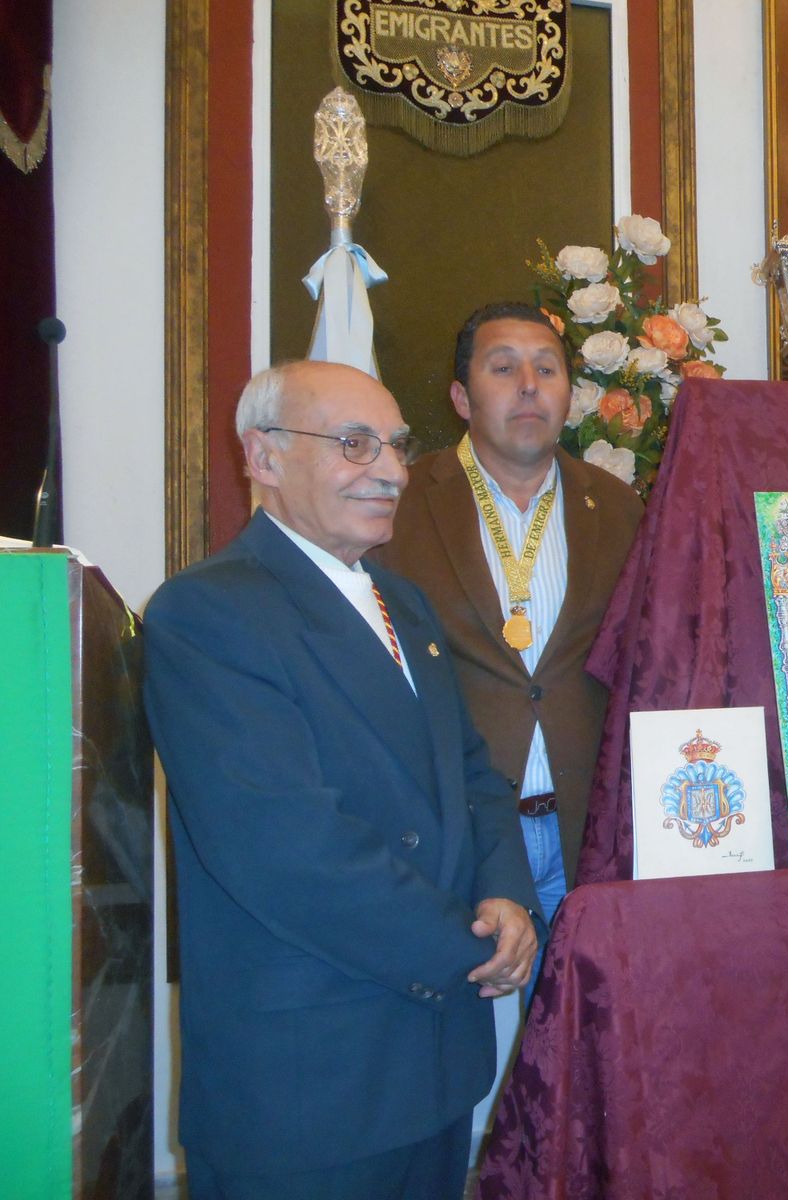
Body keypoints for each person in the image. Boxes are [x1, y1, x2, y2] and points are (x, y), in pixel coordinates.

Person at [143, 361, 540, 1200]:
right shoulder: (206, 612)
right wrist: (468, 947)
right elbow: (287, 849)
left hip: (431, 1065)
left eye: (396, 445)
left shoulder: (407, 605)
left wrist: (507, 893)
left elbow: (470, 771)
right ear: (264, 457)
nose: (393, 469)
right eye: (355, 445)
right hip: (310, 1083)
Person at [372, 302, 643, 941]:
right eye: (504, 368)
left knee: (580, 1030)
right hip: (459, 833)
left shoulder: (618, 507)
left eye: (547, 369)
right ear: (461, 398)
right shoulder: (398, 505)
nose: (529, 385)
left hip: (586, 832)